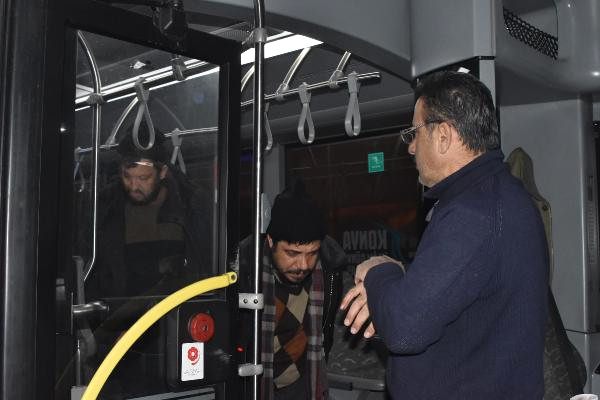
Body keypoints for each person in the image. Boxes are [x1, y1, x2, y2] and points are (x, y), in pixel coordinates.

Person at [340, 71, 548, 399]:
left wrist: (381, 270)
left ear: (443, 135)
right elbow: (457, 288)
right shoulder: (501, 196)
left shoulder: (473, 212)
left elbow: (405, 327)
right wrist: (403, 278)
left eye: (414, 133)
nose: (411, 148)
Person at [84, 126, 212, 398]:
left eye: (143, 178)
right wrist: (103, 331)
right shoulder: (105, 206)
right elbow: (96, 274)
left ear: (163, 172)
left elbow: (201, 272)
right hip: (119, 330)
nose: (134, 186)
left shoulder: (192, 205)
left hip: (173, 333)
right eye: (127, 176)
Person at [238, 182, 348, 400]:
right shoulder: (244, 272)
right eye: (292, 253)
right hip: (252, 386)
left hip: (304, 384)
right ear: (270, 241)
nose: (303, 265)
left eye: (312, 253)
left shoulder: (330, 272)